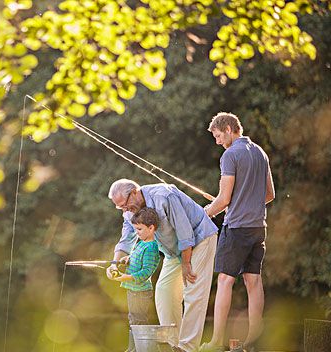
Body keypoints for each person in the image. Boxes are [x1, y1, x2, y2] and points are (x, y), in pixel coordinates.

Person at [106, 179, 218, 352]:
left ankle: (187, 348)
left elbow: (185, 231)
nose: (125, 210)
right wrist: (115, 263)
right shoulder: (130, 212)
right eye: (121, 208)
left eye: (125, 205)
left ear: (135, 192)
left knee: (193, 290)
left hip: (199, 238)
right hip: (174, 251)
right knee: (164, 291)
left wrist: (186, 263)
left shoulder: (164, 196)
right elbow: (127, 237)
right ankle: (173, 345)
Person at [201, 112, 275, 352]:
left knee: (224, 280)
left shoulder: (230, 155)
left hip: (237, 228)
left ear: (230, 129)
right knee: (253, 281)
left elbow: (223, 200)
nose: (217, 141)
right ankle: (254, 341)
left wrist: (206, 212)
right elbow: (270, 194)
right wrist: (245, 202)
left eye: (218, 135)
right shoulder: (260, 153)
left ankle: (216, 342)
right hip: (258, 228)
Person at [113, 207, 161, 352]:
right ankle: (132, 349)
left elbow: (146, 271)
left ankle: (141, 349)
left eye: (139, 229)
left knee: (139, 321)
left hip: (141, 292)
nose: (137, 233)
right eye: (135, 229)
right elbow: (135, 257)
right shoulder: (141, 242)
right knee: (133, 320)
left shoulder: (151, 247)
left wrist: (127, 277)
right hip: (132, 290)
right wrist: (127, 259)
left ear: (151, 228)